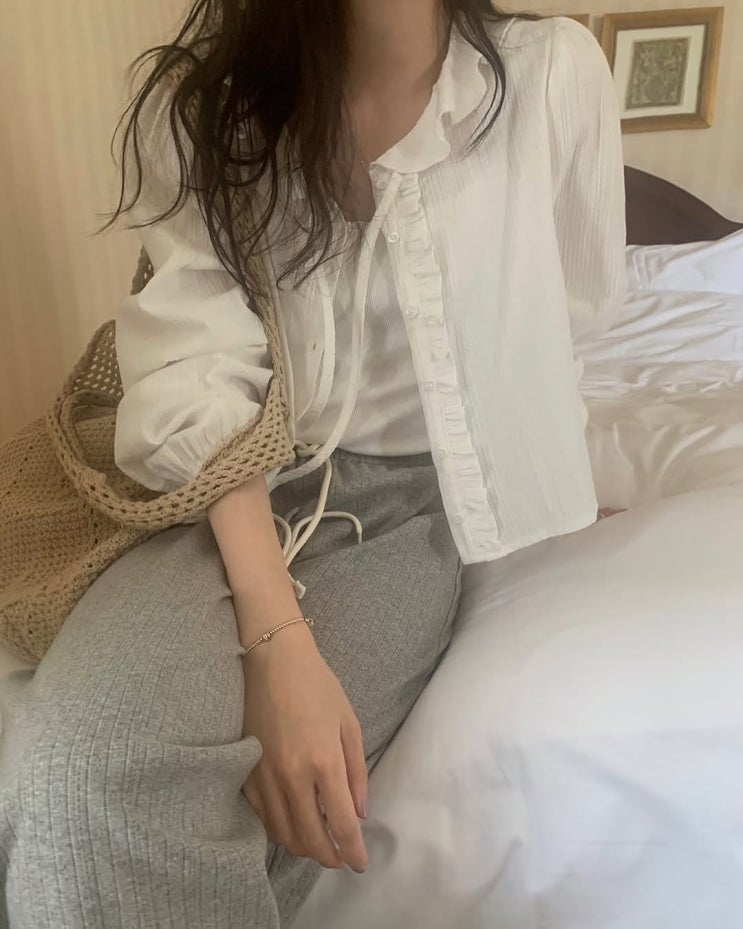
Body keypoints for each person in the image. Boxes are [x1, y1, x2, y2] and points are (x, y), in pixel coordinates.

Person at [0, 1, 626, 926]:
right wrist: (277, 638)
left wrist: (555, 478)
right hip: (228, 490)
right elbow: (196, 372)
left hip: (419, 506)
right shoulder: (203, 109)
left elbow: (565, 314)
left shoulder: (551, 73)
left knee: (264, 799)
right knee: (75, 760)